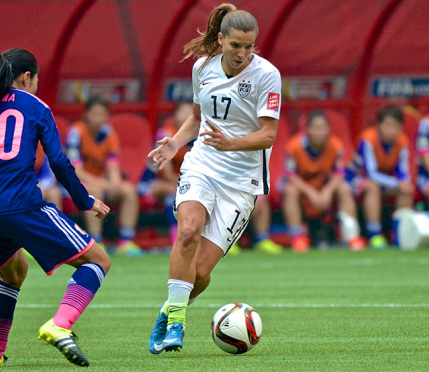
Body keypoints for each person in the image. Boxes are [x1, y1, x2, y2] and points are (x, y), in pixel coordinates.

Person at [0, 36, 111, 367]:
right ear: (27, 77)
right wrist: (84, 199)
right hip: (23, 205)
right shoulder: (35, 106)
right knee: (98, 262)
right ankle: (60, 325)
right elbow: (58, 162)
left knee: (13, 273)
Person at [147, 3, 281, 353]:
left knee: (202, 271)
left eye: (249, 46)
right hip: (202, 165)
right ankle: (177, 322)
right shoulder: (202, 67)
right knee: (188, 231)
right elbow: (197, 117)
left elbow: (268, 135)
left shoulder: (267, 75)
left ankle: (167, 311)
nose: (243, 53)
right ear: (220, 40)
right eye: (236, 45)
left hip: (242, 182)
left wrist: (231, 143)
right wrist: (175, 143)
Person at [67, 96, 142, 256]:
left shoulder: (108, 133)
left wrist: (115, 182)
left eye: (102, 114)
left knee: (128, 190)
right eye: (94, 114)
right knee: (93, 192)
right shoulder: (76, 132)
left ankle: (125, 241)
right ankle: (97, 241)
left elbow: (113, 165)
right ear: (86, 115)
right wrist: (104, 184)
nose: (98, 118)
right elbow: (77, 172)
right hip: (75, 184)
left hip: (101, 182)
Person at [282, 111, 365, 252]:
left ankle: (352, 236)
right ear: (307, 129)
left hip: (323, 187)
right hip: (302, 187)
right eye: (315, 127)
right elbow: (290, 175)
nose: (319, 132)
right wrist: (310, 192)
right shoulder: (294, 146)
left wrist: (327, 192)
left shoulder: (335, 145)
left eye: (323, 127)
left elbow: (339, 173)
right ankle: (297, 238)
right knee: (290, 190)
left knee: (343, 189)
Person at [345, 106, 413, 249]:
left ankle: (400, 234)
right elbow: (371, 173)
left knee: (406, 190)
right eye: (387, 125)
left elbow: (403, 171)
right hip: (355, 179)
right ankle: (374, 234)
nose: (390, 130)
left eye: (395, 126)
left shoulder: (402, 141)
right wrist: (397, 183)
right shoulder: (368, 139)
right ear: (378, 125)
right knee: (373, 187)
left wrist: (404, 183)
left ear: (400, 127)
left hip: (384, 181)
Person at [138, 102, 194, 247]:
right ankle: (178, 239)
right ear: (174, 116)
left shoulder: (198, 136)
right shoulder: (166, 135)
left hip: (177, 185)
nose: (186, 117)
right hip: (151, 184)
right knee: (179, 194)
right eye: (182, 112)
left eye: (190, 113)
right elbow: (166, 173)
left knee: (176, 196)